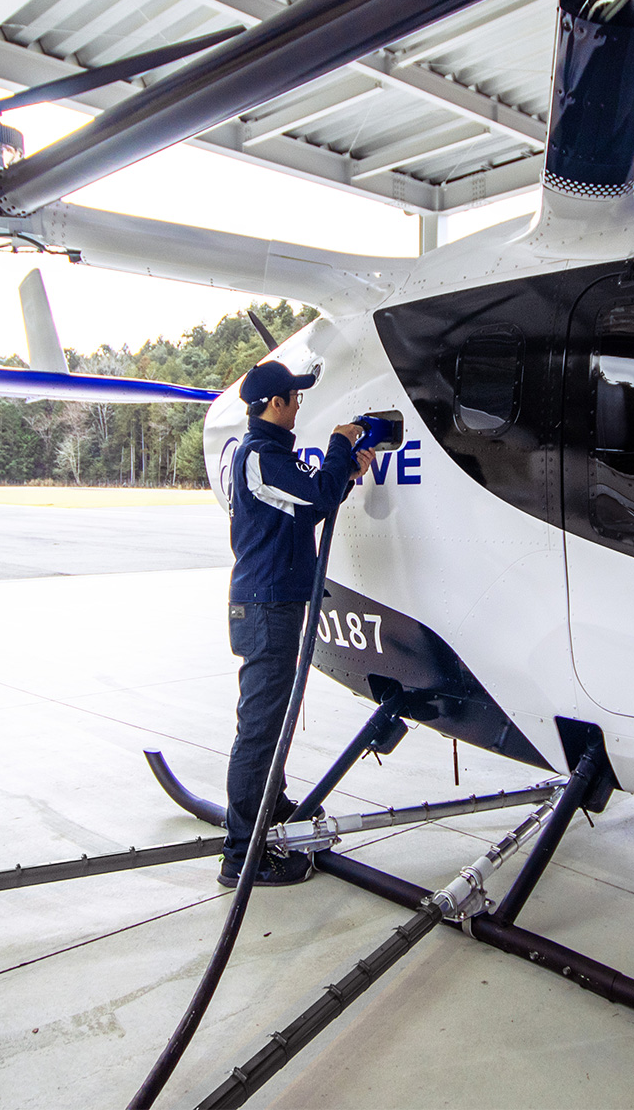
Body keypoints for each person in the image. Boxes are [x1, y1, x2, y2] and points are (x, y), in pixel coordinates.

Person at [220, 359, 374, 888]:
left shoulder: (272, 458)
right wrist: (338, 445)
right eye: (295, 398)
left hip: (274, 605)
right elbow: (316, 495)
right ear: (276, 404)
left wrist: (345, 475)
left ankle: (271, 805)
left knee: (272, 720)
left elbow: (309, 508)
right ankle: (242, 854)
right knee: (260, 728)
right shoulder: (259, 456)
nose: (298, 407)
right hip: (264, 609)